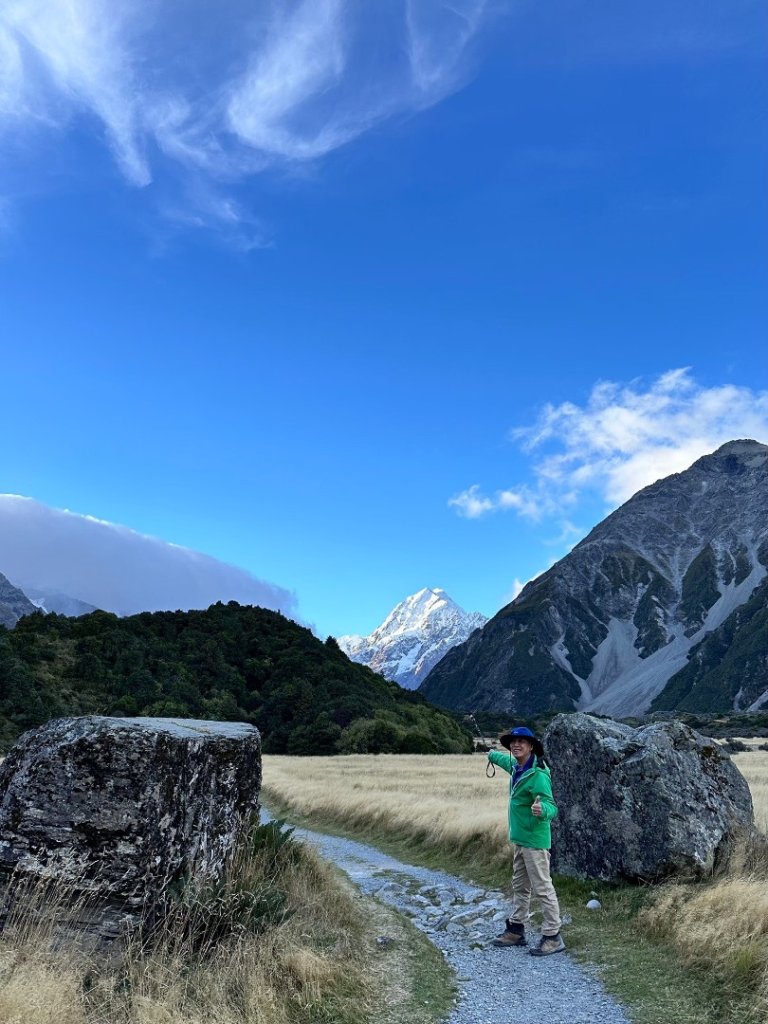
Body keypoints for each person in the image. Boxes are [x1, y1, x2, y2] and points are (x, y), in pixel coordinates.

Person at [487, 725, 565, 956]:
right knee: (520, 887)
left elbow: (552, 805)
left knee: (542, 888)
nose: (516, 744)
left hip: (535, 841)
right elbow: (505, 761)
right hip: (521, 840)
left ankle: (553, 936)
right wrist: (491, 755)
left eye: (522, 741)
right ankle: (516, 929)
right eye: (513, 741)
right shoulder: (518, 767)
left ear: (531, 746)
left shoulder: (538, 775)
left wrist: (544, 810)